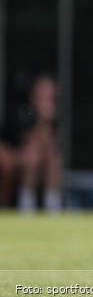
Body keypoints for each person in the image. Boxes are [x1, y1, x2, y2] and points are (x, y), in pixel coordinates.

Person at [0, 74, 64, 212]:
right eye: (42, 90)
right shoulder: (24, 110)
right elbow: (28, 141)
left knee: (53, 158)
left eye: (48, 91)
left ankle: (52, 205)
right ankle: (26, 204)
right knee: (32, 158)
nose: (45, 94)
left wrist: (47, 121)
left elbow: (50, 144)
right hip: (18, 153)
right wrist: (42, 120)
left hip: (40, 155)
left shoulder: (55, 114)